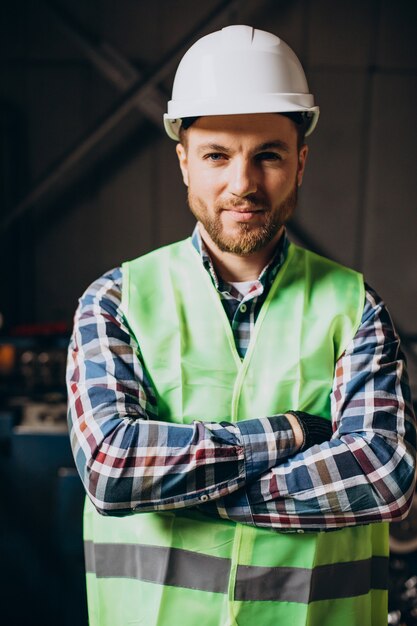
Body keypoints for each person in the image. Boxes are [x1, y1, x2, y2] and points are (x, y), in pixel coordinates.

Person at [66, 25, 416, 626]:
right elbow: (113, 468)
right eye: (217, 155)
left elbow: (384, 474)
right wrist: (290, 436)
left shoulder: (354, 307)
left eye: (268, 155)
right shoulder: (115, 302)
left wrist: (188, 490)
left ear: (300, 162)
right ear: (184, 162)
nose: (243, 184)